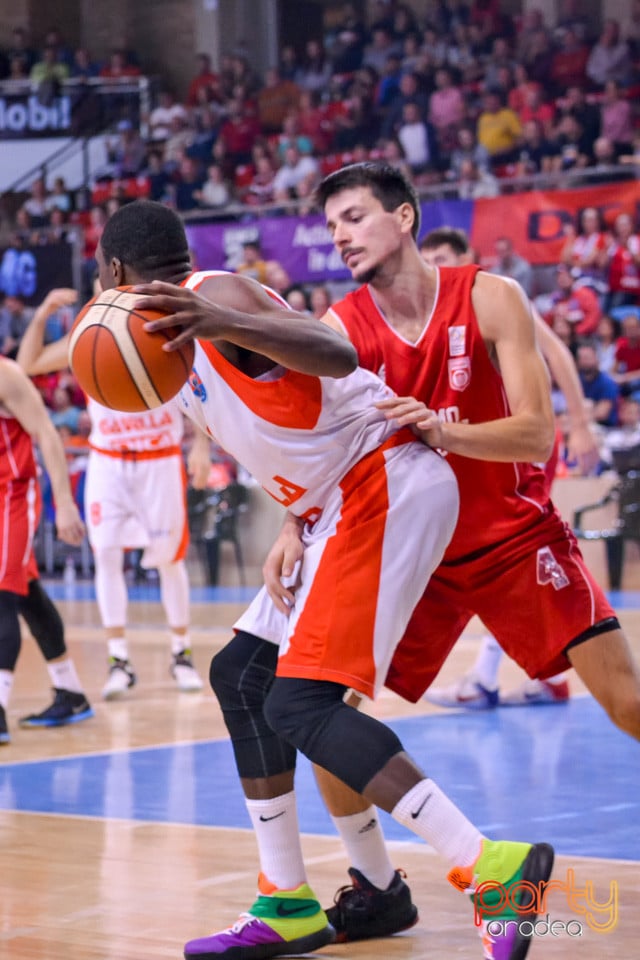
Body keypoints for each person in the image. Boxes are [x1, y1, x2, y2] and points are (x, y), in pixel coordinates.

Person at [164, 163, 639, 959]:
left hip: (513, 534)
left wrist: (445, 433)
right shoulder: (337, 328)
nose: (342, 235)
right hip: (409, 545)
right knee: (316, 699)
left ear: (407, 217)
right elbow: (326, 439)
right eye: (333, 225)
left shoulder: (491, 297)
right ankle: (376, 886)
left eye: (355, 217)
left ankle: (466, 873)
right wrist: (292, 526)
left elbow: (535, 436)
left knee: (625, 701)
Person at [90, 198, 559, 960]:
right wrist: (293, 518)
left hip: (382, 481)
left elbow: (335, 355)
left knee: (300, 702)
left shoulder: (217, 296)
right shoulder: (160, 336)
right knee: (242, 677)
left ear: (111, 271)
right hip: (333, 501)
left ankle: (492, 868)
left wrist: (219, 322)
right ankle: (311, 900)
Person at [419, 226, 599, 709]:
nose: (434, 265)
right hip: (480, 441)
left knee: (503, 554)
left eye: (443, 256)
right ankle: (543, 676)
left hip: (516, 437)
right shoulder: (426, 308)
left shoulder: (489, 293)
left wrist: (580, 424)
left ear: (466, 257)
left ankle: (488, 676)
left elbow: (557, 354)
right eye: (427, 257)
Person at [17, 288, 211, 700]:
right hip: (108, 461)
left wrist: (203, 445)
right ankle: (118, 659)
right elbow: (27, 365)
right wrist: (44, 312)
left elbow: (201, 384)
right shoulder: (88, 339)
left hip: (160, 459)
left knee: (169, 560)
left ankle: (181, 652)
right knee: (106, 555)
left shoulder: (159, 327)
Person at [0, 355, 92, 743]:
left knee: (3, 593)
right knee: (27, 594)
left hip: (12, 495)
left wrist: (67, 503)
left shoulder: (6, 375)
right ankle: (70, 692)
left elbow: (46, 434)